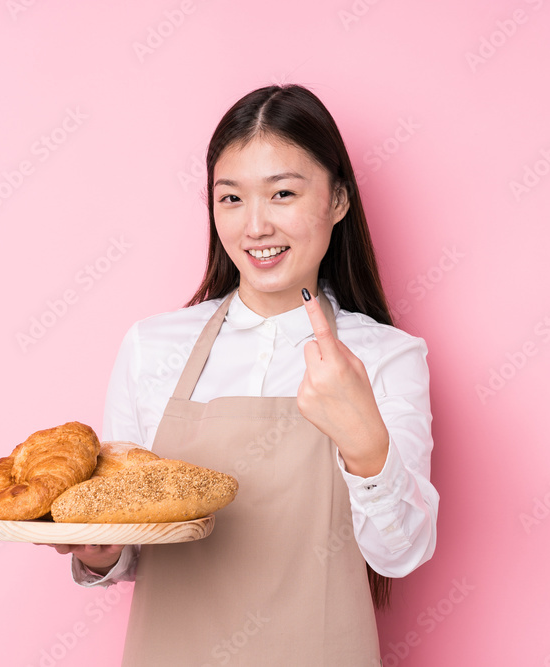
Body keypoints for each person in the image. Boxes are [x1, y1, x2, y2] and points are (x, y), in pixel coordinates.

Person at [42, 83, 439, 665]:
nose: (254, 226)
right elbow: (130, 549)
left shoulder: (384, 357)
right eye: (231, 199)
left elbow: (401, 552)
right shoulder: (153, 346)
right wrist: (100, 548)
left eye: (282, 193)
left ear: (338, 200)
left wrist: (364, 440)